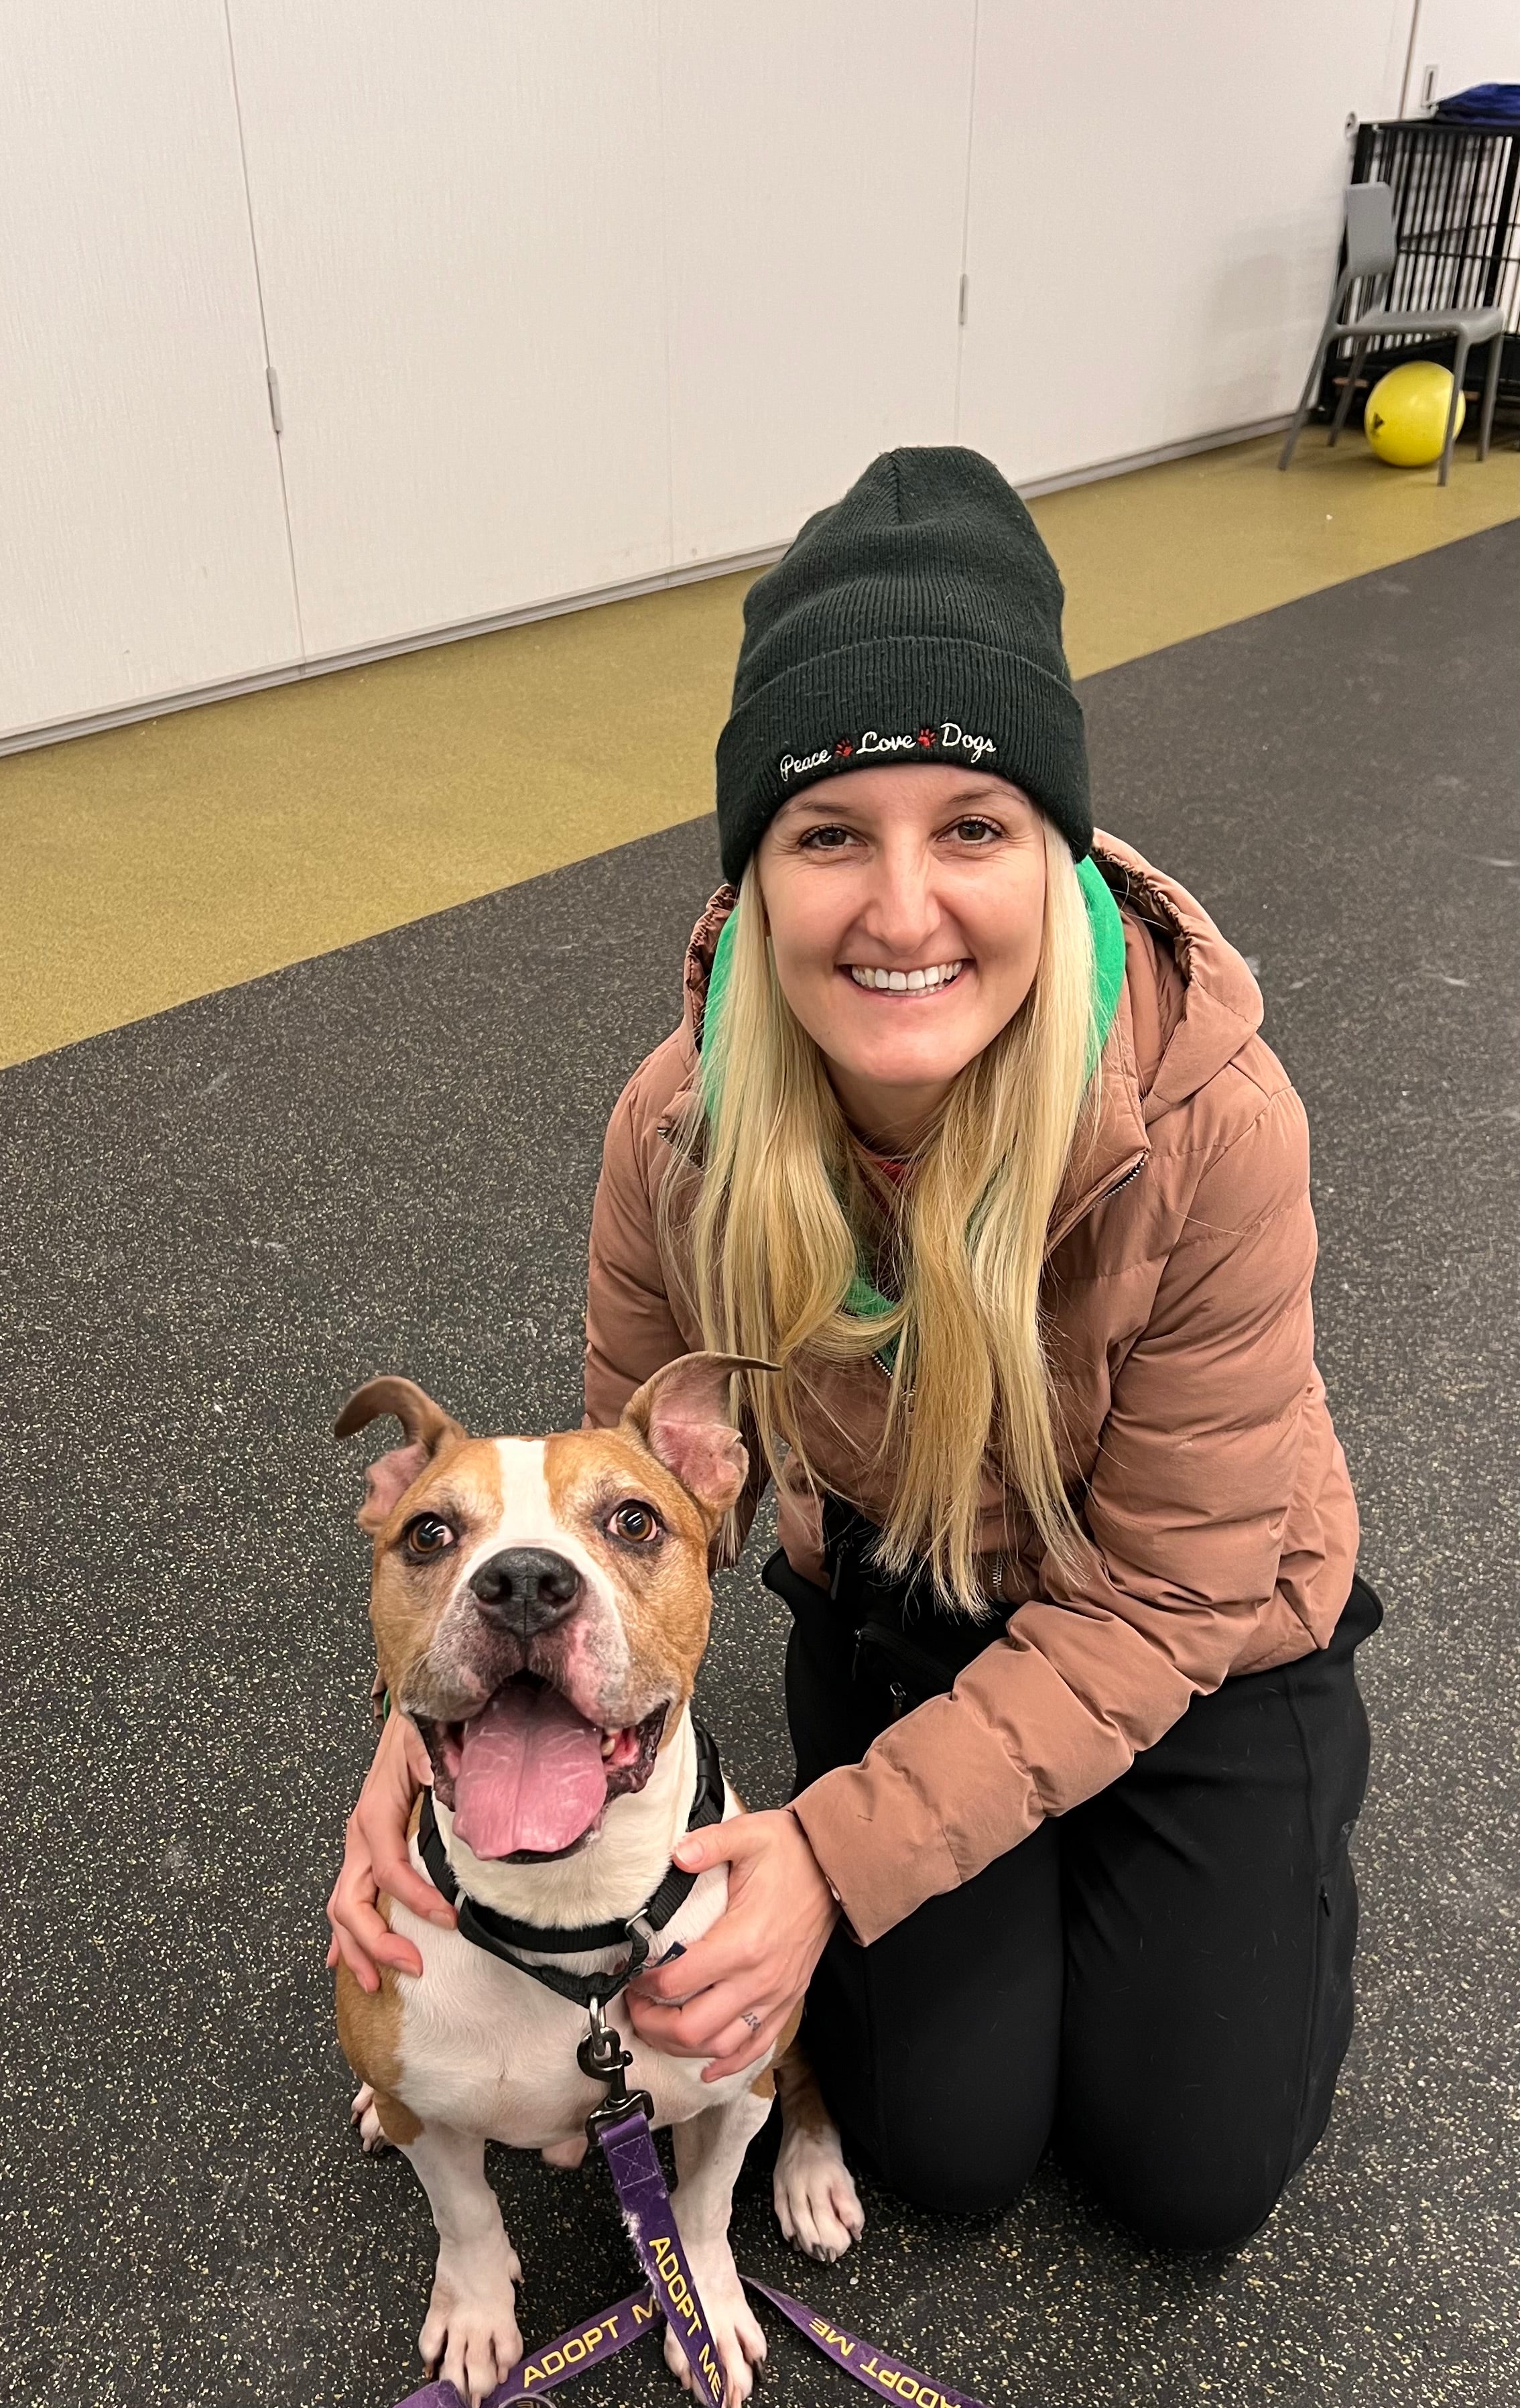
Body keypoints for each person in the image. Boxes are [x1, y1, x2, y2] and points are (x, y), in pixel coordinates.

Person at [328, 446, 1381, 2254]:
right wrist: (428, 1737)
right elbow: (610, 1503)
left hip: (1187, 1634)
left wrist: (831, 1853)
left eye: (968, 827)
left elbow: (1169, 1600)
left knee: (1188, 2177)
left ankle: (1198, 1869)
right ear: (760, 864)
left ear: (1050, 852)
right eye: (831, 834)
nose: (901, 912)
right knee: (947, 2153)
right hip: (904, 1605)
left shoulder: (1216, 1122)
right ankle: (1005, 1866)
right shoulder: (674, 1127)